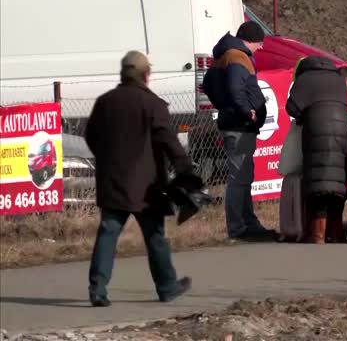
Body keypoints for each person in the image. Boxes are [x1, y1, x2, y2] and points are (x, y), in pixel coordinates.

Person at [84, 51, 193, 307]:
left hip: (112, 181)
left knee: (108, 232)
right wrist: (185, 167)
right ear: (146, 75)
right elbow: (167, 139)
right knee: (154, 235)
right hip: (146, 185)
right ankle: (166, 286)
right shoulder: (152, 104)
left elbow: (90, 137)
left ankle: (97, 289)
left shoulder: (105, 102)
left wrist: (108, 160)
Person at [203, 21, 276, 241]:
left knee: (244, 176)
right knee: (239, 177)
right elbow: (236, 86)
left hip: (235, 123)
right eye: (260, 43)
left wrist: (225, 106)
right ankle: (238, 227)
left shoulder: (225, 54)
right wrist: (247, 110)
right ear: (252, 40)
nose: (261, 48)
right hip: (239, 126)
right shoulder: (237, 57)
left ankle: (248, 221)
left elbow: (207, 85)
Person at [286, 56, 347, 244]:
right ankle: (336, 232)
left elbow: (292, 108)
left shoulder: (305, 79)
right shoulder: (338, 79)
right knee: (337, 179)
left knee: (317, 180)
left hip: (317, 127)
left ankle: (317, 234)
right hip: (342, 129)